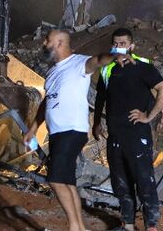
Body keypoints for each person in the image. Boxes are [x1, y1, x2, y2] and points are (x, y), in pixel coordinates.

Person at [24, 29, 106, 231]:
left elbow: (98, 60)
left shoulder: (78, 63)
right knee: (67, 181)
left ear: (59, 43)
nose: (43, 43)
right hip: (58, 133)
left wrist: (116, 54)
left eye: (47, 40)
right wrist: (33, 129)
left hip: (72, 130)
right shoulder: (53, 72)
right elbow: (47, 103)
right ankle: (79, 227)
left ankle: (74, 228)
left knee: (55, 178)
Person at [92, 28, 163, 231]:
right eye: (116, 43)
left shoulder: (142, 66)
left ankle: (151, 226)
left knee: (144, 180)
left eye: (123, 43)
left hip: (137, 134)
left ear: (132, 46)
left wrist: (150, 116)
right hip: (115, 134)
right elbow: (102, 96)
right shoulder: (107, 69)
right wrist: (97, 122)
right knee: (121, 183)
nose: (119, 47)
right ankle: (127, 224)